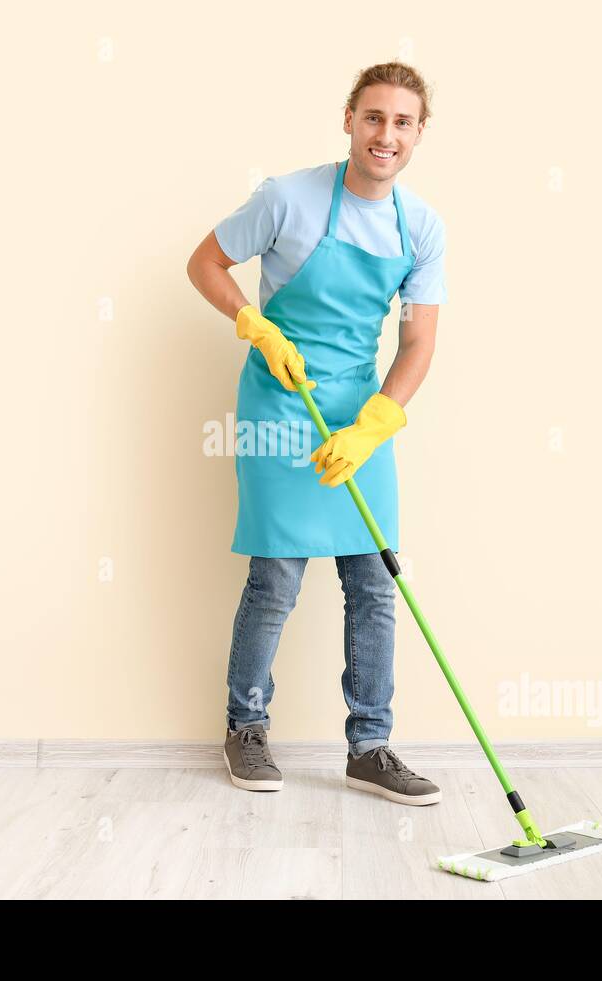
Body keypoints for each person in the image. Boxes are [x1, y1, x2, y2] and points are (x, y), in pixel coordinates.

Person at [185, 62, 448, 806]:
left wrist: (377, 424)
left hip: (357, 412)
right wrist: (254, 323)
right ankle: (246, 726)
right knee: (276, 578)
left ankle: (370, 745)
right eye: (374, 117)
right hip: (278, 400)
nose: (385, 134)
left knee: (373, 582)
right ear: (348, 120)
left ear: (419, 133)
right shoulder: (289, 197)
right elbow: (205, 262)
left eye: (402, 122)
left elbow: (419, 344)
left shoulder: (420, 227)